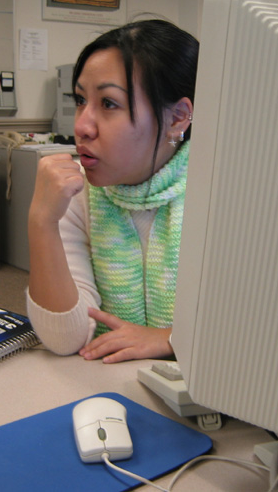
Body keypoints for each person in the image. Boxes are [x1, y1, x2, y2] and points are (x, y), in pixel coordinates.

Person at [26, 19, 199, 364]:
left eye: (108, 104)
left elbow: (267, 323)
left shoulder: (217, 194)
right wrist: (41, 222)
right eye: (79, 100)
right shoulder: (78, 194)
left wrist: (171, 339)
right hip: (111, 386)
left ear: (178, 117)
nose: (81, 126)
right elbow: (65, 338)